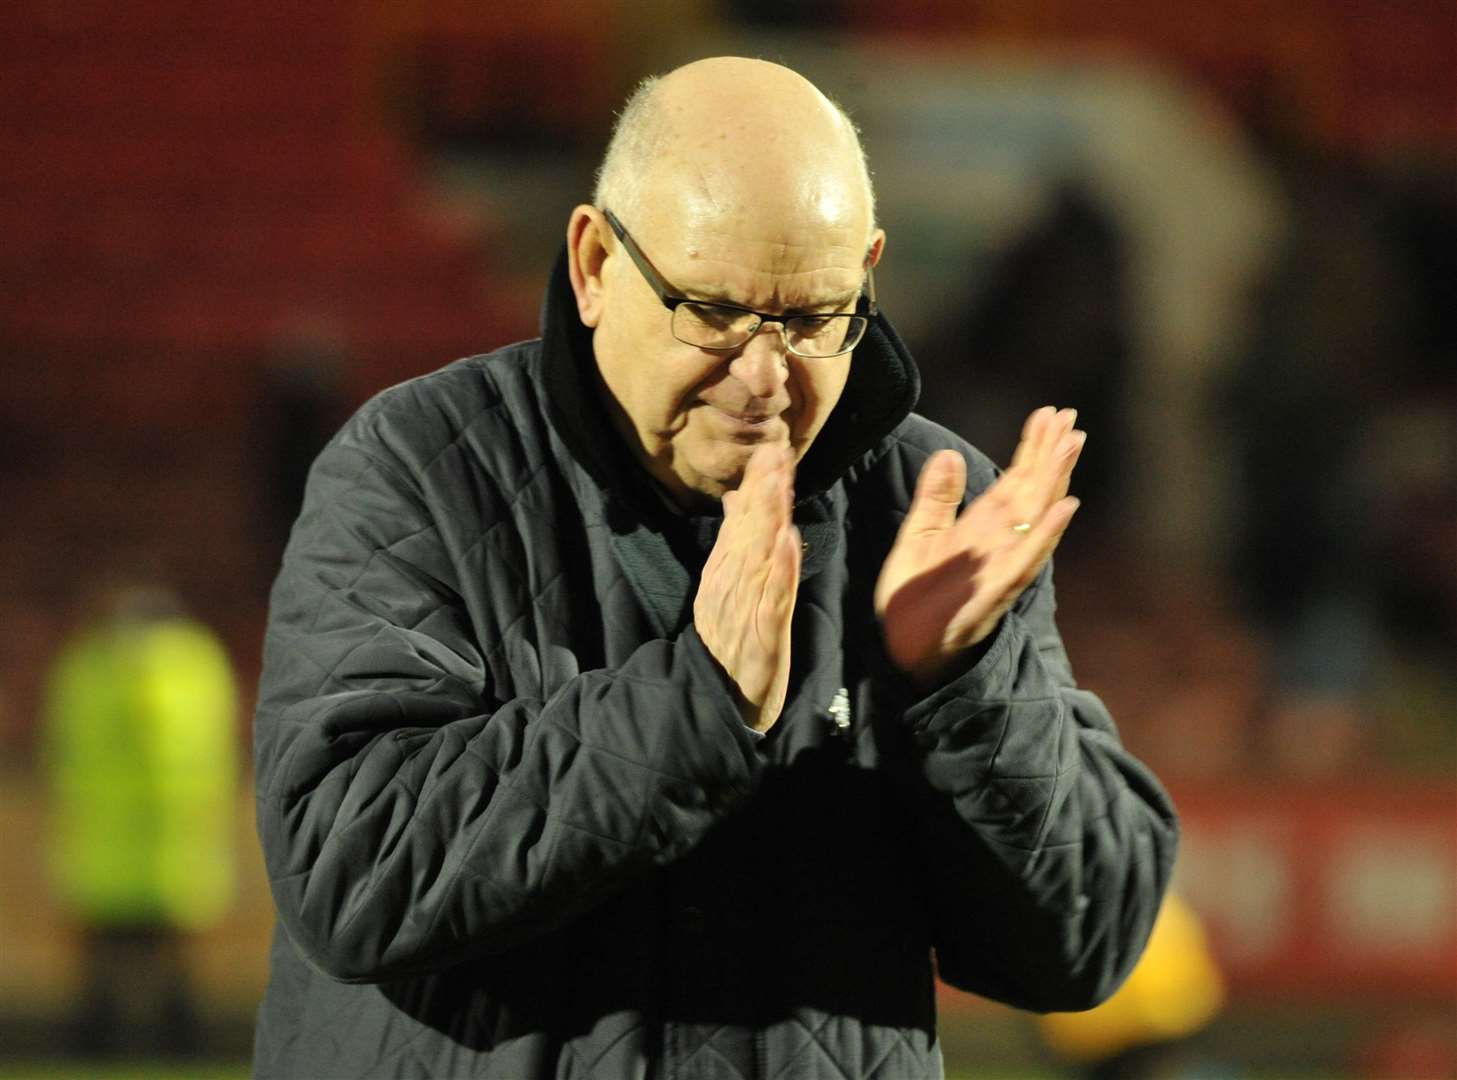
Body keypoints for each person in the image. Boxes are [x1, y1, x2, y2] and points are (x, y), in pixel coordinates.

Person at [251, 57, 1178, 1080]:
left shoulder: (931, 503)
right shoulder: (420, 470)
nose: (763, 376)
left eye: (815, 318)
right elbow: (351, 869)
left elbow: (1087, 944)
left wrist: (964, 686)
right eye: (712, 310)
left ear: (868, 271)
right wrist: (698, 704)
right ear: (595, 263)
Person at [43, 579, 238, 1058]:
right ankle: (180, 1046)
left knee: (106, 958)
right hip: (174, 833)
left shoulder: (88, 664)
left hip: (105, 834)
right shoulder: (199, 663)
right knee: (169, 956)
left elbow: (63, 743)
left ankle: (95, 1048)